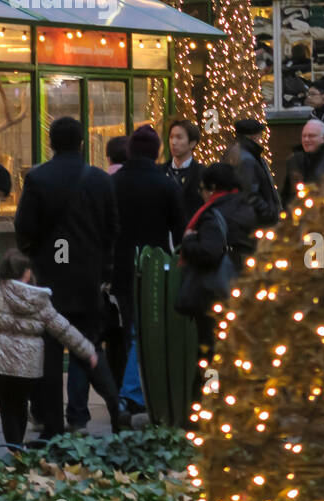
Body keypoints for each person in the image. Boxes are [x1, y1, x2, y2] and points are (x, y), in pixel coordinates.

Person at [14, 116, 120, 438]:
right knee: (86, 347)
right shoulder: (100, 180)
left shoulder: (37, 179)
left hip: (50, 280)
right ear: (82, 143)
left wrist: (40, 254)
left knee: (46, 354)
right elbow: (112, 229)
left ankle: (51, 424)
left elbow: (24, 229)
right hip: (86, 280)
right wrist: (103, 269)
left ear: (50, 144)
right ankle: (110, 411)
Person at [0, 250, 100, 448]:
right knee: (20, 405)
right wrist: (87, 350)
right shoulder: (40, 300)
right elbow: (63, 329)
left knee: (7, 408)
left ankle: (14, 445)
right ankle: (18, 447)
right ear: (26, 273)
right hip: (28, 365)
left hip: (1, 363)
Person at [110, 123, 186, 394]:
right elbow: (179, 231)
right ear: (155, 152)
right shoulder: (165, 184)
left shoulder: (113, 183)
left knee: (125, 327)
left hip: (119, 263)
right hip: (153, 263)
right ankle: (135, 390)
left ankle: (124, 389)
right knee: (146, 327)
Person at [177, 161, 255, 374]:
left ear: (211, 188)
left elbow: (208, 252)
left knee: (210, 352)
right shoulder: (246, 208)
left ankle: (210, 399)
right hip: (242, 287)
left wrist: (189, 241)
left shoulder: (213, 214)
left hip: (215, 293)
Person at [225, 117, 281, 227]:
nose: (261, 138)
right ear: (254, 136)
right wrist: (269, 214)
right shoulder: (247, 159)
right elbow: (250, 194)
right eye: (260, 135)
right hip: (256, 222)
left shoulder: (235, 152)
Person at [281, 118, 324, 210]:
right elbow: (287, 195)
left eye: (311, 136)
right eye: (304, 136)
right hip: (301, 218)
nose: (306, 139)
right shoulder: (294, 161)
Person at [162, 116, 205, 222]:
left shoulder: (201, 173)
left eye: (179, 137)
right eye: (171, 137)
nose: (173, 142)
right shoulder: (161, 171)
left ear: (192, 143)